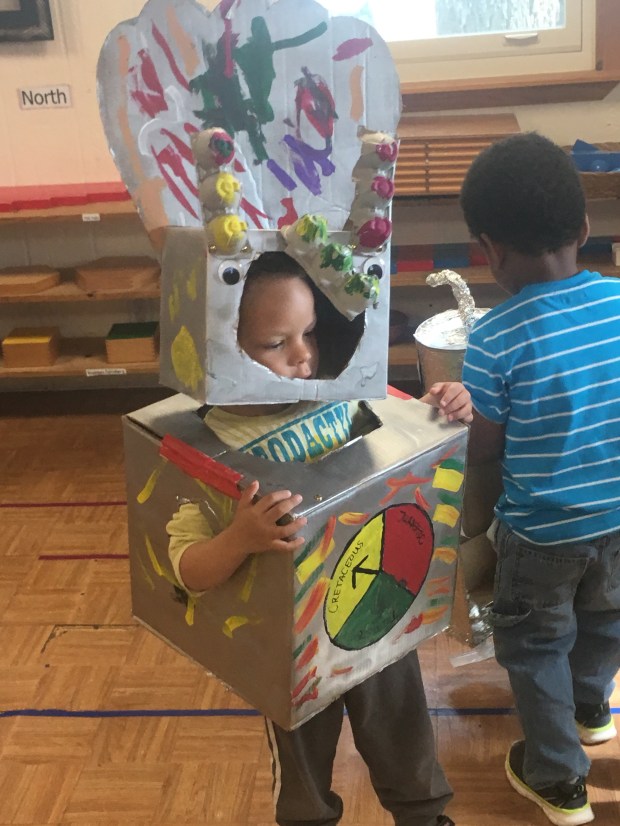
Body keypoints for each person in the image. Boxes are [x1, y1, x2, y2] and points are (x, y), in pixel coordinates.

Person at [167, 250, 472, 826]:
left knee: (403, 731)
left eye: (308, 332)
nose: (304, 356)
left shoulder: (336, 394)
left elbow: (392, 446)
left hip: (374, 602)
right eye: (274, 344)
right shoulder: (208, 441)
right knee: (302, 759)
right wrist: (238, 538)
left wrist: (436, 410)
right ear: (219, 349)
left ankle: (423, 815)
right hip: (291, 642)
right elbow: (185, 569)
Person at [460, 132, 620, 826]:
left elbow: (483, 449)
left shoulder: (494, 338)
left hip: (540, 538)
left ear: (489, 249)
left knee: (533, 649)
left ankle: (557, 779)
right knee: (606, 623)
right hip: (619, 520)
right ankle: (591, 710)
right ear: (583, 227)